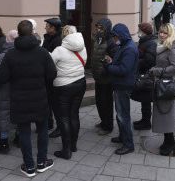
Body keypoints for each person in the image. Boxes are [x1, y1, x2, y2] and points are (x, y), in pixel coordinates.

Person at [0, 20, 56, 177]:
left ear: (18, 32)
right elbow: (52, 74)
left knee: (24, 132)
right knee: (42, 130)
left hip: (19, 99)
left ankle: (29, 167)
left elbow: (1, 78)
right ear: (32, 32)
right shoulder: (42, 52)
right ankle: (42, 162)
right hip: (40, 98)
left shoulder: (10, 54)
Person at [51, 26, 87, 159]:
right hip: (80, 82)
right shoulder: (83, 47)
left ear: (64, 35)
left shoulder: (59, 50)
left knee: (64, 117)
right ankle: (73, 145)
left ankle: (66, 151)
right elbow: (84, 62)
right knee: (74, 114)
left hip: (63, 86)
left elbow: (50, 65)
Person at [105, 23, 138, 155]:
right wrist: (112, 61)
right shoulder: (124, 45)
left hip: (124, 85)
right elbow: (120, 63)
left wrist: (108, 66)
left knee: (123, 115)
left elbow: (124, 69)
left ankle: (128, 144)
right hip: (120, 84)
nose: (114, 39)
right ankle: (122, 137)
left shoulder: (129, 49)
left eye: (116, 36)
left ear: (122, 35)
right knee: (120, 114)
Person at [150, 23, 175, 155]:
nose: (161, 35)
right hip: (162, 84)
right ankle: (168, 141)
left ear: (171, 34)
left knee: (167, 114)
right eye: (160, 32)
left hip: (168, 85)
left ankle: (171, 143)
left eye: (165, 33)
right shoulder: (163, 47)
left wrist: (159, 71)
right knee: (163, 114)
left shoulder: (172, 48)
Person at [0, 30, 19, 154]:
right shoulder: (22, 53)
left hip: (4, 90)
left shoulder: (3, 56)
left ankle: (4, 142)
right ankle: (18, 137)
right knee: (19, 113)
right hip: (19, 90)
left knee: (3, 114)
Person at [91, 18, 118, 136]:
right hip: (98, 77)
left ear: (107, 29)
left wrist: (106, 68)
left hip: (106, 78)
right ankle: (103, 121)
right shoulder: (97, 39)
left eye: (101, 28)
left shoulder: (111, 42)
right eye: (97, 27)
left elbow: (114, 59)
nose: (98, 29)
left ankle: (108, 126)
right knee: (99, 101)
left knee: (106, 102)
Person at [133, 22, 157, 131]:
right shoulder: (145, 41)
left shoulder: (150, 43)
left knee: (146, 99)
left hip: (146, 76)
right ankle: (144, 120)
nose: (138, 32)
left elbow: (150, 60)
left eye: (140, 31)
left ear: (144, 32)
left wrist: (136, 62)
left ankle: (146, 122)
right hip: (143, 74)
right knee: (144, 99)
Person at [42, 17, 62, 138]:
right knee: (48, 101)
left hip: (53, 76)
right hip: (47, 75)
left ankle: (60, 127)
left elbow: (52, 60)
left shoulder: (57, 41)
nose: (45, 27)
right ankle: (49, 122)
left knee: (55, 103)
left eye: (47, 26)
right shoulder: (48, 37)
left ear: (53, 28)